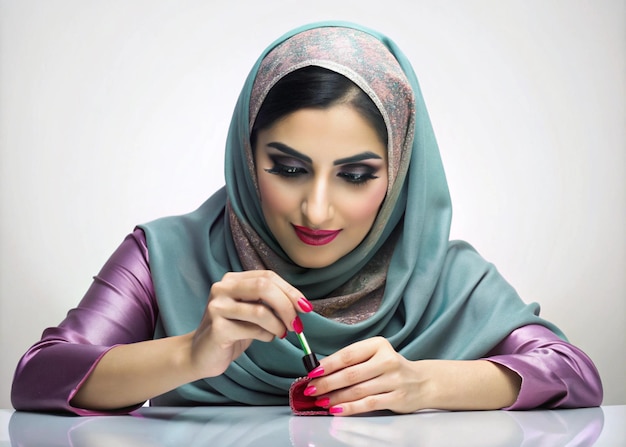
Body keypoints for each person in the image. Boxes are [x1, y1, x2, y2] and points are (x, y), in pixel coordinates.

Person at [11, 22, 602, 416]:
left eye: (355, 175)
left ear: (399, 175)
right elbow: (38, 379)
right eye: (288, 168)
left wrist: (423, 383)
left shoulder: (446, 278)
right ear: (248, 157)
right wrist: (192, 353)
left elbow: (574, 376)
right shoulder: (164, 256)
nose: (316, 210)